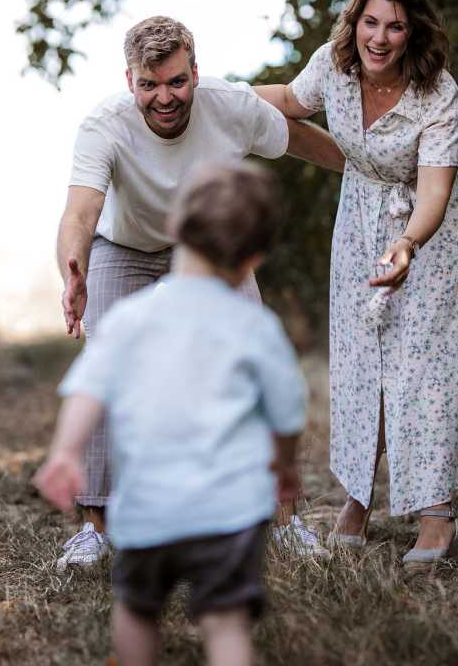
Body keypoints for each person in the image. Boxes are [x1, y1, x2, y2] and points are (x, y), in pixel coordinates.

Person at [53, 15, 343, 569]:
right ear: (130, 78)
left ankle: (283, 520)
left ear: (195, 73)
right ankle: (96, 528)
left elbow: (297, 138)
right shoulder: (104, 124)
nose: (165, 97)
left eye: (177, 82)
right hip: (126, 248)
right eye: (149, 84)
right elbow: (81, 211)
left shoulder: (229, 105)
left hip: (210, 250)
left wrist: (367, 165)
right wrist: (75, 270)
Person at [255, 0, 458, 568]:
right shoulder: (334, 66)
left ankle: (435, 511)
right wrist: (218, 94)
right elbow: (287, 100)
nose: (379, 38)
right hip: (361, 216)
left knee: (424, 362)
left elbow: (435, 193)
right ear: (354, 21)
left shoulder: (437, 94)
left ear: (413, 33)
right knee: (362, 358)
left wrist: (409, 243)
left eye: (395, 26)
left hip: (434, 231)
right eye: (370, 22)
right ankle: (359, 496)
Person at [34, 162, 305, 666]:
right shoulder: (256, 327)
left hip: (147, 508)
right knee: (225, 623)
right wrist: (284, 468)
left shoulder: (129, 320)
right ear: (255, 256)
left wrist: (67, 452)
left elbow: (89, 389)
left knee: (137, 613)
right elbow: (286, 413)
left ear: (173, 229)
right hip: (229, 514)